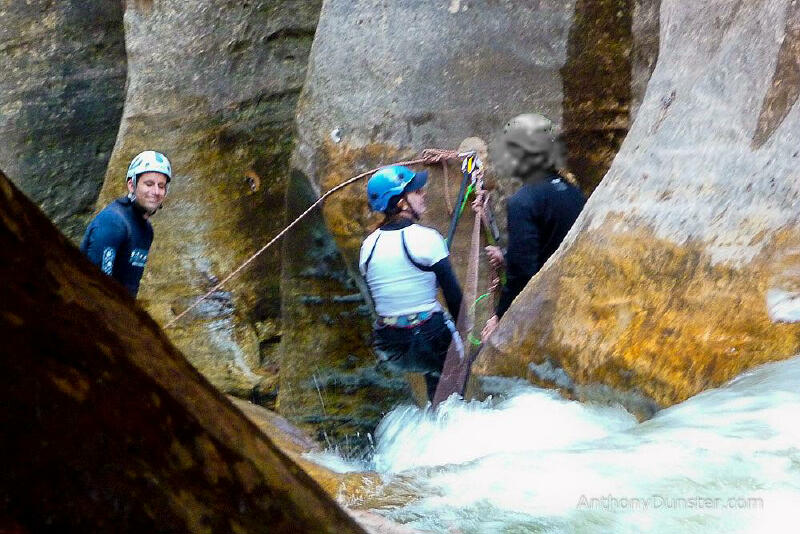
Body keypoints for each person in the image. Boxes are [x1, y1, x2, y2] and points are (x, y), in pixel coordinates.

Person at [360, 165, 463, 402]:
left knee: (430, 367)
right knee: (449, 372)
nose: (423, 193)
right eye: (416, 191)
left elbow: (380, 299)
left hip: (390, 346)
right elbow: (454, 299)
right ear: (401, 203)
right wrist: (469, 342)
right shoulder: (426, 238)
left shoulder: (368, 247)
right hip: (430, 337)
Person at [481, 114, 586, 340]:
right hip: (575, 300)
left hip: (547, 310)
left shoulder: (524, 201)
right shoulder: (572, 191)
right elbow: (553, 244)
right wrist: (508, 255)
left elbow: (523, 272)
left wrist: (501, 316)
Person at [80, 150, 172, 297]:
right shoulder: (113, 223)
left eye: (161, 186)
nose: (156, 191)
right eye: (149, 184)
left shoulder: (146, 230)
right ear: (131, 185)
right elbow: (95, 286)